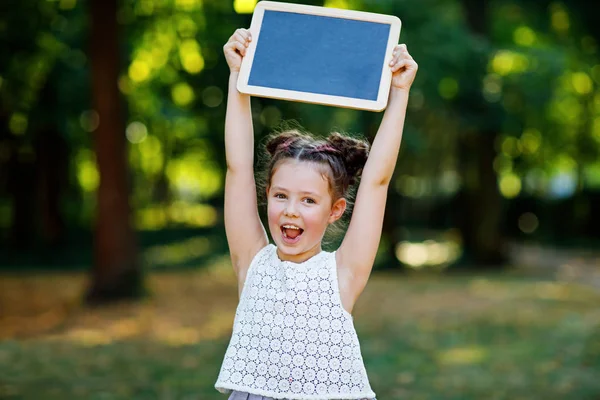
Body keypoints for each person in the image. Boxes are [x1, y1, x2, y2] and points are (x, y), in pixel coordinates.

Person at [215, 27, 418, 400]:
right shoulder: (251, 261)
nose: (291, 210)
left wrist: (399, 93)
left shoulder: (343, 272)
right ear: (267, 197)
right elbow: (238, 168)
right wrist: (237, 78)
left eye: (309, 200)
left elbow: (377, 181)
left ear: (335, 211)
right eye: (281, 196)